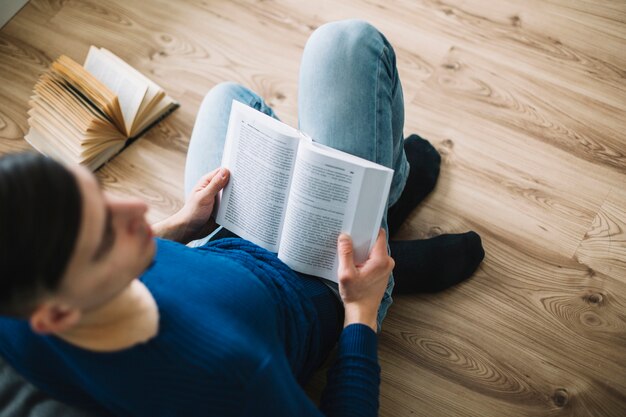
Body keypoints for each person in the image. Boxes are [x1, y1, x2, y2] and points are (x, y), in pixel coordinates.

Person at [0, 20, 484, 416]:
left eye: (101, 199)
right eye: (106, 233)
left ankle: (379, 210)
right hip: (317, 288)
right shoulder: (228, 372)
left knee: (226, 97)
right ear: (58, 315)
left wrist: (182, 226)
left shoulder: (15, 305)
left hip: (218, 244)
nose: (137, 212)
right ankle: (383, 243)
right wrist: (359, 312)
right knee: (348, 46)